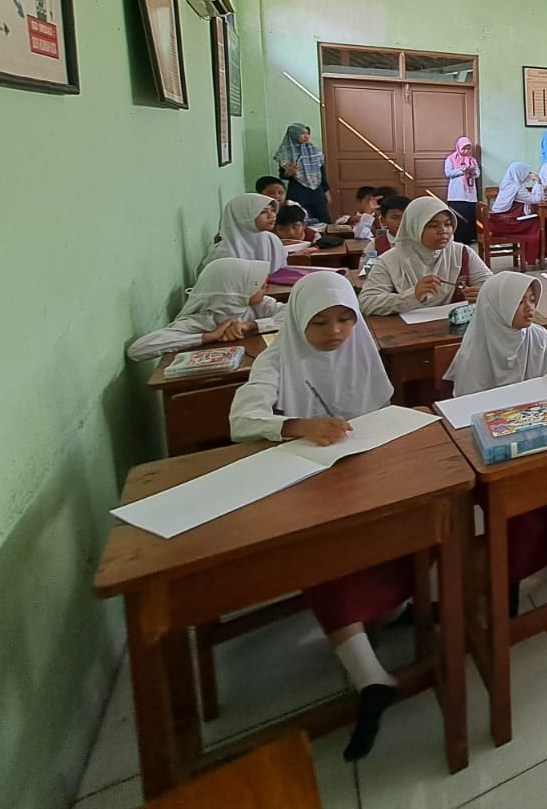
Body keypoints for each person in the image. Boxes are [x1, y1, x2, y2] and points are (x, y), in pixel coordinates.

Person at [227, 271, 405, 761]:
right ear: (298, 320)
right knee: (326, 554)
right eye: (321, 322)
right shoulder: (277, 358)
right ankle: (371, 677)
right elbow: (241, 420)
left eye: (346, 320)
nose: (336, 333)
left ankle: (395, 608)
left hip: (368, 470)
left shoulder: (360, 347)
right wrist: (295, 424)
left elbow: (384, 411)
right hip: (308, 480)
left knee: (407, 524)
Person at [444, 274, 547, 609]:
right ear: (498, 307)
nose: (530, 308)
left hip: (542, 431)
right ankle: (513, 573)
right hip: (497, 446)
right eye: (520, 302)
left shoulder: (539, 339)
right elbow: (468, 413)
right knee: (516, 491)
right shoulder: (476, 350)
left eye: (532, 300)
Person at [359, 196, 491, 315]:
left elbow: (491, 285)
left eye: (448, 224)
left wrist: (483, 292)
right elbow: (366, 296)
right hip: (407, 332)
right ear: (414, 226)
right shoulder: (382, 255)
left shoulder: (462, 253)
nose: (443, 231)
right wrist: (411, 296)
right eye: (433, 225)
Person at [127, 258, 278, 360]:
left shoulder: (257, 305)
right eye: (259, 286)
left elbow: (294, 315)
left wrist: (249, 325)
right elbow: (137, 349)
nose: (266, 288)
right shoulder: (200, 320)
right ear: (235, 291)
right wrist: (208, 336)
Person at [202, 193, 288, 272]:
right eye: (263, 212)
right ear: (243, 216)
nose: (272, 215)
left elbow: (282, 273)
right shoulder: (224, 253)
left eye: (273, 210)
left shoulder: (272, 240)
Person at [486, 163, 543, 265]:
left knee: (535, 221)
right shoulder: (516, 187)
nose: (528, 175)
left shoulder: (507, 183)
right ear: (520, 173)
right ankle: (534, 256)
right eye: (527, 173)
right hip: (505, 223)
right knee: (537, 223)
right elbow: (536, 199)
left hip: (496, 222)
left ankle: (535, 255)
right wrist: (538, 182)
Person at [274, 124, 330, 223]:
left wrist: (326, 192)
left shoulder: (314, 151)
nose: (306, 136)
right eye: (302, 133)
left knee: (324, 221)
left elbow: (322, 173)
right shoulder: (285, 153)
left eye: (307, 133)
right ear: (294, 135)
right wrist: (288, 173)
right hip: (298, 193)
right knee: (300, 221)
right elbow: (283, 175)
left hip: (317, 192)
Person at [444, 137, 481, 244]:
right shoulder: (451, 159)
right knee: (458, 216)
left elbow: (478, 173)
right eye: (464, 148)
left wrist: (472, 172)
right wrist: (462, 171)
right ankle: (458, 239)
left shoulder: (472, 160)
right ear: (459, 148)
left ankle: (470, 238)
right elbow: (448, 173)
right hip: (457, 194)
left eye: (469, 148)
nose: (467, 151)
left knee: (470, 216)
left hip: (470, 194)